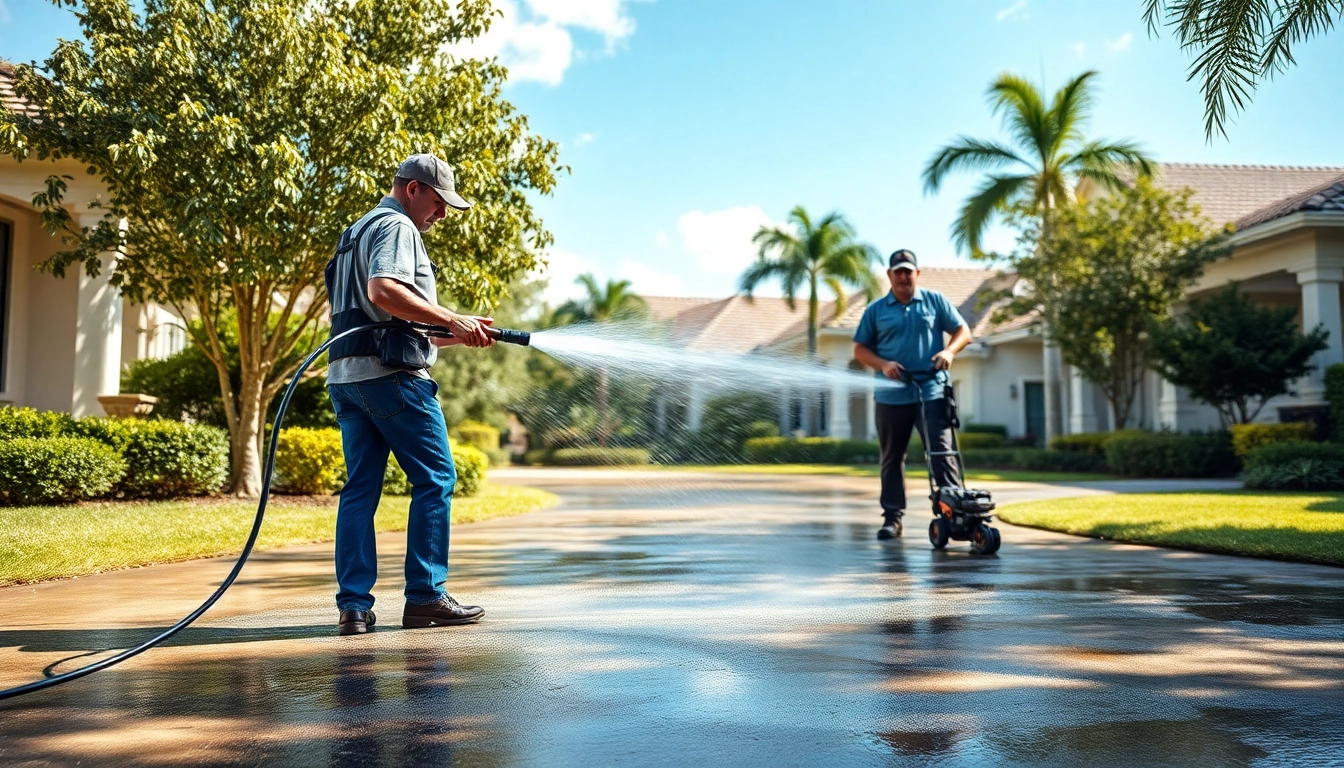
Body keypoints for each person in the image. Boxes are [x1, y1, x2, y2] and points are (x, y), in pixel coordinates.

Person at [325, 153, 495, 636]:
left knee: (360, 490)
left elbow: (377, 318)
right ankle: (425, 598)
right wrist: (448, 317)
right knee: (436, 479)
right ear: (414, 189)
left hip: (348, 379)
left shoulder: (353, 233)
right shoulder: (398, 227)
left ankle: (354, 607)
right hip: (393, 379)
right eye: (440, 203)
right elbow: (383, 291)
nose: (441, 215)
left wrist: (452, 333)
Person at [852, 249, 973, 540]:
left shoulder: (935, 301)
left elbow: (963, 331)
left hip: (931, 391)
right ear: (890, 275)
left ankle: (954, 511)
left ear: (917, 274)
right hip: (891, 396)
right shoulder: (876, 310)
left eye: (909, 271)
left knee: (942, 453)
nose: (904, 276)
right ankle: (892, 518)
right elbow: (859, 350)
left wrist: (949, 351)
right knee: (892, 458)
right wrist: (883, 365)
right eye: (899, 271)